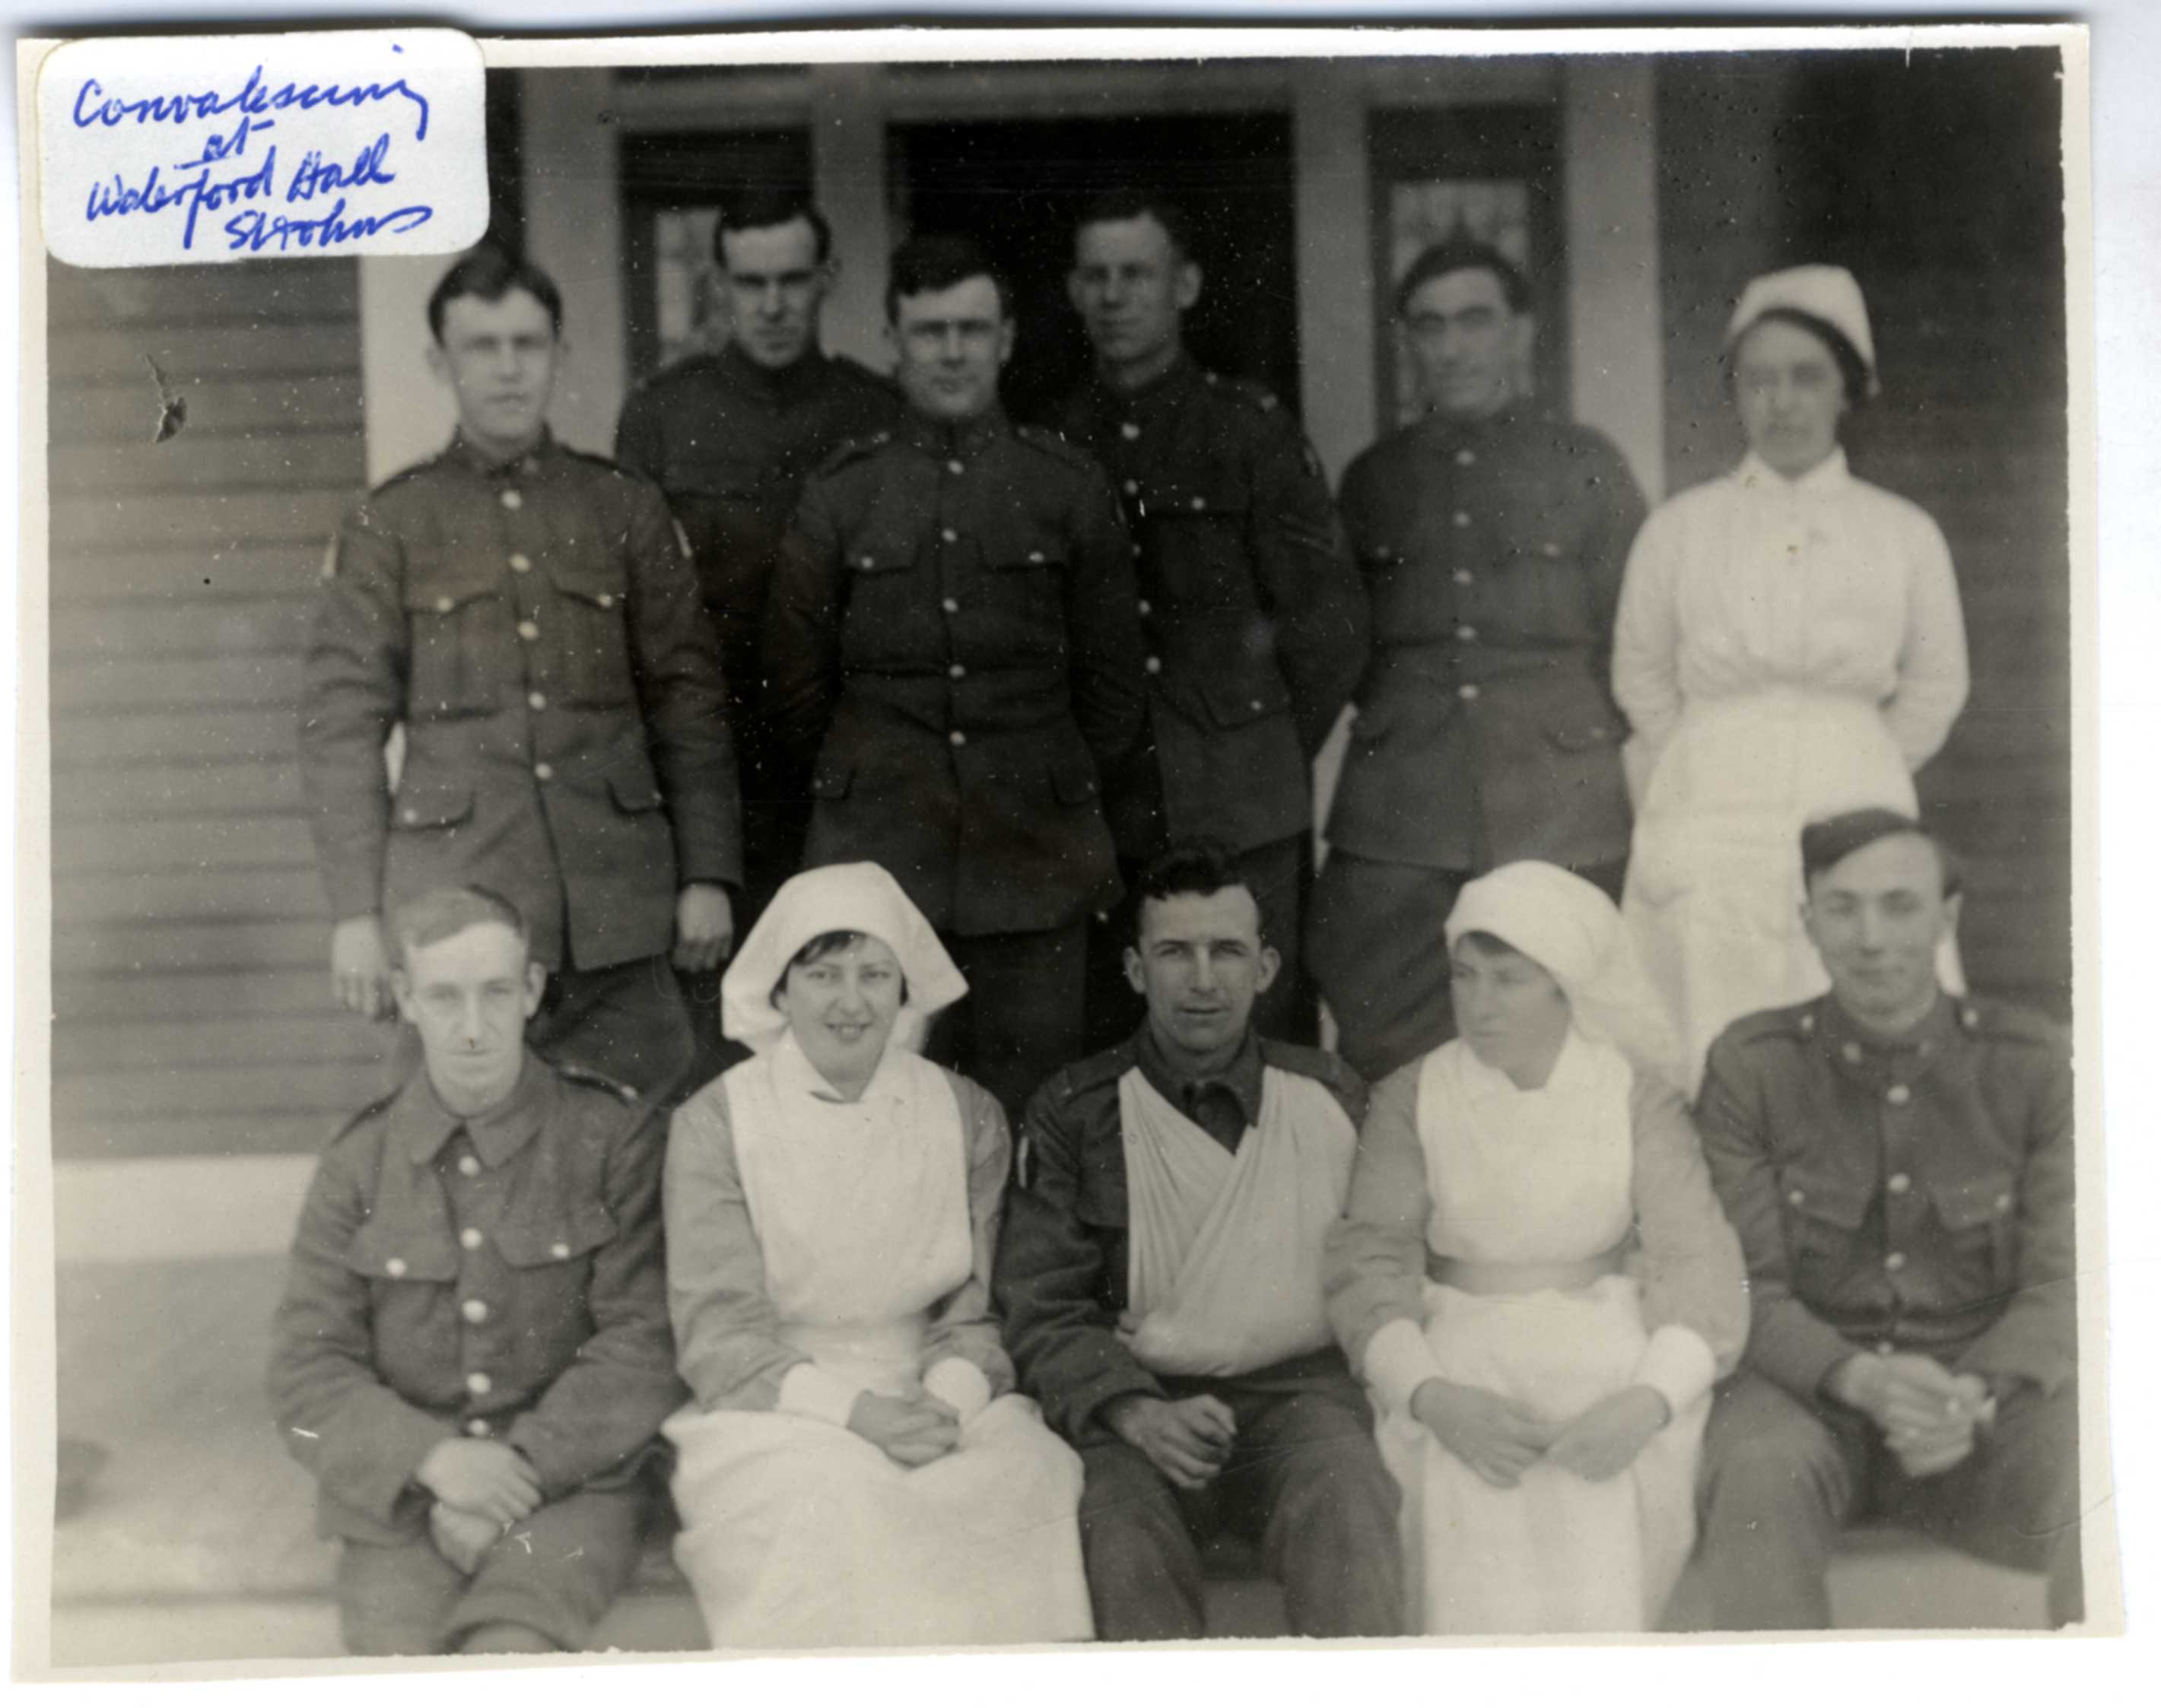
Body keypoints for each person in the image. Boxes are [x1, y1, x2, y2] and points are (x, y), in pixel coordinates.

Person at [300, 249, 742, 1103]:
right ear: (441, 362)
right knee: (458, 1153)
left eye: (528, 345)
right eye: (482, 346)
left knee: (645, 1146)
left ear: (559, 354)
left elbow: (687, 697)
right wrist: (357, 911)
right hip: (458, 903)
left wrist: (706, 874)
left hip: (619, 905)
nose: (508, 368)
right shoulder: (391, 523)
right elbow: (341, 726)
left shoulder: (621, 507)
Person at [764, 233, 1148, 1119]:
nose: (951, 351)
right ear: (893, 340)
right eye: (928, 330)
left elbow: (1114, 688)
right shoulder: (842, 494)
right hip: (880, 859)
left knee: (1031, 1109)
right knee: (876, 1108)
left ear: (1008, 338)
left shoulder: (1065, 487)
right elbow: (796, 688)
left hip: (1034, 858)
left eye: (971, 330)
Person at [660, 862, 1092, 1649]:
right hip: (779, 1408)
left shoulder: (966, 1113)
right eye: (822, 974)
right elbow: (719, 1333)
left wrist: (943, 1403)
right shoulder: (718, 1121)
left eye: (874, 974)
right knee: (833, 1493)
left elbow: (976, 1310)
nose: (850, 1001)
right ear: (780, 991)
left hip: (934, 1388)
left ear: (906, 990)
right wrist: (859, 1415)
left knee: (1032, 1474)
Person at [995, 838, 1403, 1640]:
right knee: (1118, 1527)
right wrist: (1134, 1409)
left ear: (1267, 966)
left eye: (1227, 950)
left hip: (1301, 1398)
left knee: (1349, 1492)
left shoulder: (1328, 1097)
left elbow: (1385, 1257)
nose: (1204, 978)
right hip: (1141, 1407)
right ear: (1137, 969)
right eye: (1175, 952)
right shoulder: (1077, 1111)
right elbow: (1041, 1303)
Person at [1325, 862, 1746, 1633]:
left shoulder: (1632, 1095)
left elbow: (1699, 1262)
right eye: (1464, 975)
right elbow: (1370, 1259)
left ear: (1563, 985)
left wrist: (1645, 1401)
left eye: (1508, 980)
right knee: (1463, 1481)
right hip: (1457, 1340)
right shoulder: (1413, 1095)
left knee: (1604, 1483)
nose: (1478, 1005)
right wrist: (1430, 1394)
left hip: (1606, 1340)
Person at [269, 886, 685, 1656]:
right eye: (444, 996)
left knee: (511, 1650)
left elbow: (646, 1340)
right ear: (405, 998)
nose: (471, 1028)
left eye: (495, 992)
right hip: (405, 1498)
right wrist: (434, 1459)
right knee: (396, 1666)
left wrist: (519, 1467)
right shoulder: (359, 1163)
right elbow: (306, 1366)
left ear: (530, 990)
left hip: (569, 1484)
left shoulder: (611, 1140)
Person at [1693, 809, 2080, 1629]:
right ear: (1808, 922)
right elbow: (1738, 1284)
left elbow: (2070, 1274)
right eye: (1842, 907)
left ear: (1947, 916)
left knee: (2115, 1461)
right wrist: (1860, 1378)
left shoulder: (2032, 1063)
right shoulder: (1752, 1066)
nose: (1870, 937)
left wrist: (1976, 1388)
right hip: (1809, 1397)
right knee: (1759, 1468)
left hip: (1983, 1398)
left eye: (1901, 906)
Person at [1612, 264, 1970, 1094]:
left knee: (1855, 990)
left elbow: (1936, 684)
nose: (1782, 401)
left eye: (1808, 377)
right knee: (1706, 1019)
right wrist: (1706, 756)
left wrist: (1861, 758)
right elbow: (1641, 671)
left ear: (1849, 389)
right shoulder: (1681, 528)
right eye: (1759, 379)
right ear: (1736, 393)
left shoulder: (1902, 533)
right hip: (1709, 796)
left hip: (1854, 786)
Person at [1311, 236, 1648, 1087]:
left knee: (1573, 1028)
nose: (1453, 346)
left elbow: (1634, 641)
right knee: (1387, 1022)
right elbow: (1337, 641)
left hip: (1559, 798)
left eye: (1475, 320)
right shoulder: (1374, 479)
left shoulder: (1588, 466)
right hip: (1403, 802)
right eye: (1430, 326)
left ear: (1521, 332)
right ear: (1409, 343)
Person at [1042, 190, 1368, 1048]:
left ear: (1183, 286)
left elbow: (1328, 626)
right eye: (1097, 277)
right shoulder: (1054, 441)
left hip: (1242, 801)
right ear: (1074, 292)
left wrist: (1254, 740)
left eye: (1137, 275)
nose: (1115, 296)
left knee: (1262, 1035)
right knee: (1123, 1037)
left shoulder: (1249, 430)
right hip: (1111, 802)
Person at [614, 188, 900, 988]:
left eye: (793, 279)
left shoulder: (874, 411)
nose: (772, 304)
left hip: (849, 771)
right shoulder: (663, 416)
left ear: (826, 278)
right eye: (750, 283)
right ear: (719, 282)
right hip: (715, 777)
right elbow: (638, 623)